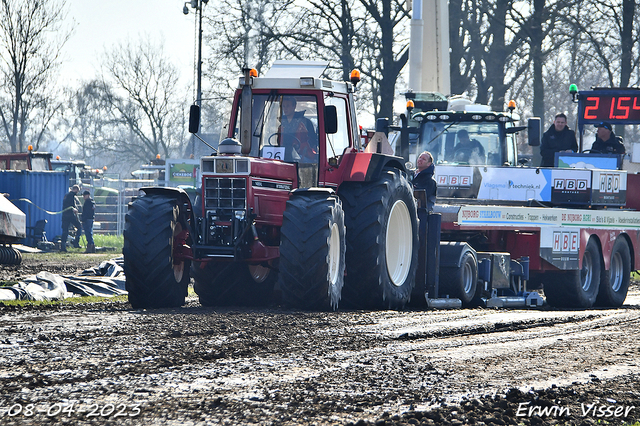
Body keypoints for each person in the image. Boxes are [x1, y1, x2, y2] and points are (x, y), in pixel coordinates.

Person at [280, 97, 318, 162]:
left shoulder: (306, 122)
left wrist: (300, 146)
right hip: (283, 154)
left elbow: (313, 141)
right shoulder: (280, 123)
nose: (285, 108)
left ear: (294, 106)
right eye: (283, 106)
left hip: (302, 155)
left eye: (288, 106)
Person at [61, 185, 82, 252]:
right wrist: (74, 209)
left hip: (65, 215)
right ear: (75, 189)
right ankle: (76, 242)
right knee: (79, 226)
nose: (77, 193)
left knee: (65, 231)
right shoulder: (71, 195)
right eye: (77, 191)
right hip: (70, 215)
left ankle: (63, 246)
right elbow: (70, 205)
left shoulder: (66, 195)